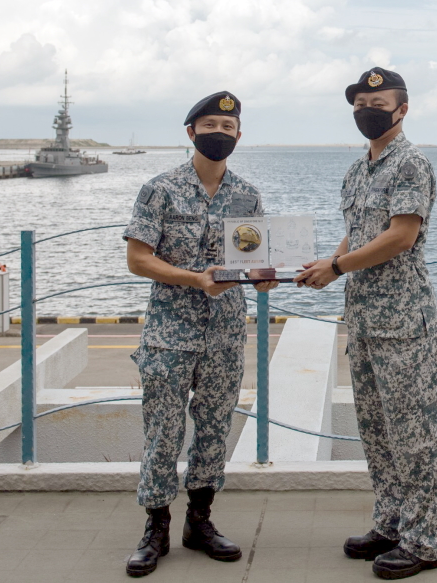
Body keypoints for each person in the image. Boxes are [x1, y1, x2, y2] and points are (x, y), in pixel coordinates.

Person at [295, 68, 437, 580]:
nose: (367, 109)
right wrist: (325, 265)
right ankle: (390, 523)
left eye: (377, 101)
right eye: (360, 102)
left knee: (416, 436)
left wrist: (337, 268)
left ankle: (426, 541)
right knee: (378, 432)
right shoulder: (358, 170)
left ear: (402, 109)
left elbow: (401, 236)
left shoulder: (411, 164)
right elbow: (356, 234)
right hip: (363, 320)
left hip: (404, 322)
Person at [122, 91, 278, 577]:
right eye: (209, 126)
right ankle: (155, 526)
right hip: (171, 330)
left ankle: (201, 522)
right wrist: (194, 279)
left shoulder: (247, 195)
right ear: (191, 133)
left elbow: (252, 259)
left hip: (226, 333)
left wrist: (265, 277)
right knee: (163, 431)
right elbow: (138, 259)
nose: (219, 134)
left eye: (228, 128)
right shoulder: (159, 189)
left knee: (213, 428)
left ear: (238, 137)